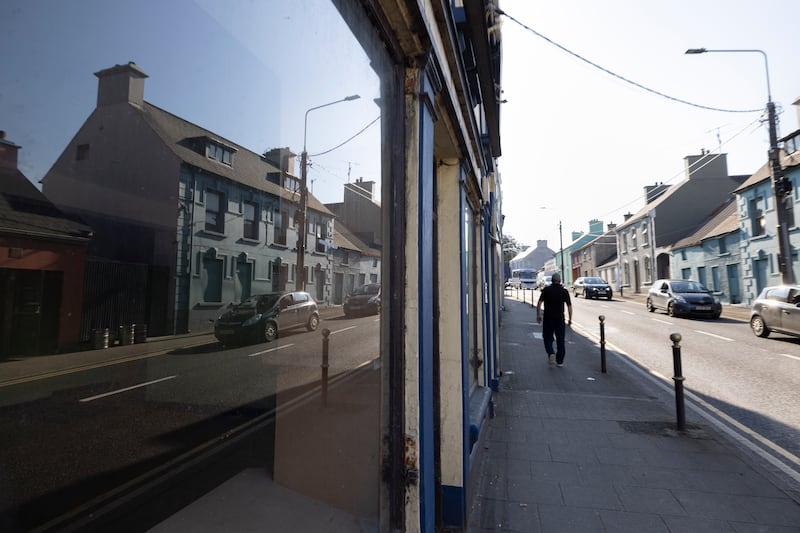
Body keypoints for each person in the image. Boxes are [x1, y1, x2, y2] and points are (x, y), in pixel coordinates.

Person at [536, 272, 573, 367]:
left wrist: (538, 315)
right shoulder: (564, 291)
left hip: (548, 318)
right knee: (560, 339)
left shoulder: (546, 290)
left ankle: (551, 352)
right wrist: (570, 319)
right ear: (560, 281)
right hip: (560, 318)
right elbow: (569, 306)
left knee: (547, 337)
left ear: (552, 280)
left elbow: (539, 303)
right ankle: (560, 361)